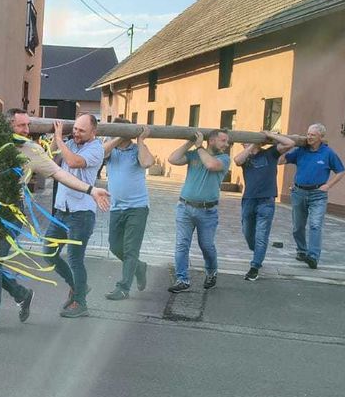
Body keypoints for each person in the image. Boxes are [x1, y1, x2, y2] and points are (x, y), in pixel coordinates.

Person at [0, 108, 111, 332]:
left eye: (29, 125)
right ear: (7, 126)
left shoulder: (31, 150)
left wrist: (91, 189)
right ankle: (21, 294)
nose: (27, 130)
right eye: (21, 126)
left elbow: (61, 173)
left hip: (11, 215)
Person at [48, 113, 106, 318]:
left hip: (81, 214)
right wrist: (56, 143)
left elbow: (72, 162)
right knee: (49, 253)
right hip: (61, 210)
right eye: (75, 129)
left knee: (75, 259)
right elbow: (52, 162)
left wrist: (58, 140)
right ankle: (77, 286)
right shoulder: (70, 142)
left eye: (82, 130)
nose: (76, 133)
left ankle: (81, 303)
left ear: (93, 132)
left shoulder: (96, 149)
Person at [167, 129, 231, 293]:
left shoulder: (224, 158)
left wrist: (199, 147)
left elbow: (210, 165)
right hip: (185, 208)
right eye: (223, 140)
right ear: (212, 140)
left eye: (227, 141)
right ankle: (182, 279)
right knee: (182, 245)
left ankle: (211, 272)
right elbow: (172, 159)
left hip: (208, 211)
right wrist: (190, 142)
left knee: (207, 245)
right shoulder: (194, 155)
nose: (226, 144)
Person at [233, 129, 296, 281]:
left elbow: (290, 143)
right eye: (243, 143)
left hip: (266, 201)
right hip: (249, 199)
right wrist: (251, 146)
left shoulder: (270, 153)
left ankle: (255, 266)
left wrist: (269, 135)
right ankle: (258, 252)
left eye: (246, 142)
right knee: (248, 232)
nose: (244, 145)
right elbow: (237, 160)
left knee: (261, 234)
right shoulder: (246, 159)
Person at [102, 122, 153, 300]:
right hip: (116, 207)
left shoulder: (137, 149)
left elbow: (147, 162)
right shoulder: (110, 149)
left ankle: (123, 287)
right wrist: (117, 137)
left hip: (137, 208)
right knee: (115, 246)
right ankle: (139, 267)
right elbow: (100, 154)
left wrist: (140, 140)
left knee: (131, 249)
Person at [284, 123, 345, 269]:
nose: (309, 137)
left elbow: (341, 171)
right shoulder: (300, 150)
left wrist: (328, 185)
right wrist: (284, 146)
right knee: (298, 226)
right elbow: (282, 161)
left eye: (312, 135)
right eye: (308, 134)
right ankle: (301, 250)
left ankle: (313, 257)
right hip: (298, 193)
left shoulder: (328, 153)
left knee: (315, 225)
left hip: (318, 195)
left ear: (321, 137)